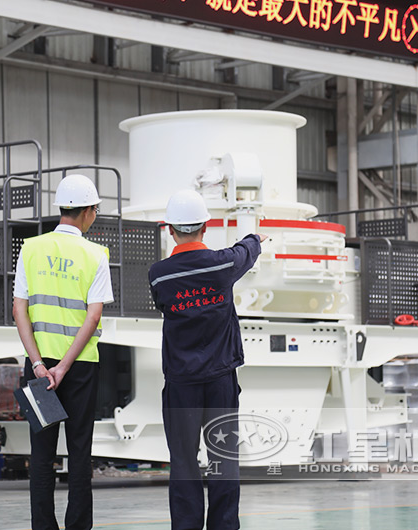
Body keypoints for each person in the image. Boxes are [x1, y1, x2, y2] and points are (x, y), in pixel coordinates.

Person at [147, 189, 266, 530]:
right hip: (220, 380)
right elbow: (246, 251)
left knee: (184, 462)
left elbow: (163, 303)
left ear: (170, 229)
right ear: (206, 227)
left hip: (181, 381)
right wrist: (254, 238)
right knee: (223, 459)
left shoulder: (159, 274)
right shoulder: (223, 264)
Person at [13, 173, 114, 530]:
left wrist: (39, 364)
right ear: (87, 211)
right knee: (79, 451)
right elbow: (93, 316)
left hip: (39, 370)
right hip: (80, 367)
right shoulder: (95, 254)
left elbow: (19, 310)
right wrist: (65, 367)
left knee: (42, 455)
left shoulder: (30, 248)